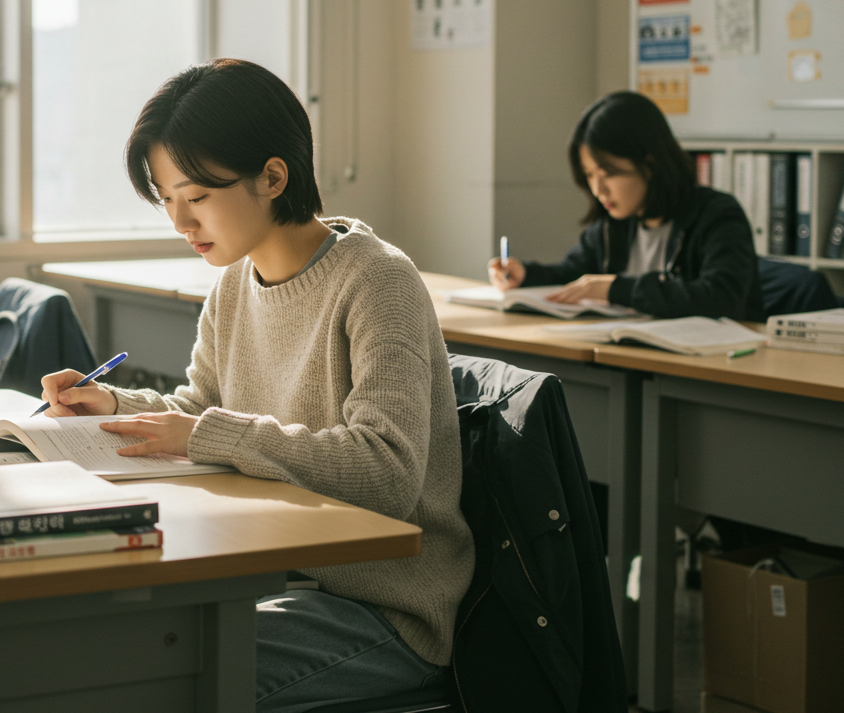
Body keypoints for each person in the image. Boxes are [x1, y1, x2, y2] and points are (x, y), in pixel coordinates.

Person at [39, 59, 473, 712]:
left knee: (145, 679)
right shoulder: (233, 285)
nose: (180, 223)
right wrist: (113, 404)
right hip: (272, 572)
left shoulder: (378, 281)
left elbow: (388, 471)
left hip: (383, 610)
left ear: (272, 177)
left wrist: (205, 433)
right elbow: (200, 411)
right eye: (167, 200)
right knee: (104, 646)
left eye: (197, 197)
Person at [488, 90, 764, 321]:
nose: (598, 190)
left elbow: (721, 298)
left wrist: (615, 289)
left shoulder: (716, 215)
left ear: (650, 164)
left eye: (608, 174)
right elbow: (574, 276)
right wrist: (526, 274)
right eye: (590, 175)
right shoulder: (613, 225)